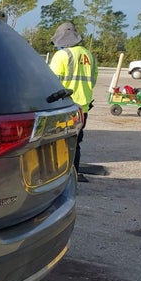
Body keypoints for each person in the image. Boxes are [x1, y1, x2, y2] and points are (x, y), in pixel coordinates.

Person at [48, 21, 97, 182]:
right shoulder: (89, 55)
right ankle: (73, 175)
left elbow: (51, 82)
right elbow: (93, 80)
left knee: (55, 144)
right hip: (83, 107)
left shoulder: (62, 55)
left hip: (64, 107)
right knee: (75, 143)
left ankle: (56, 178)